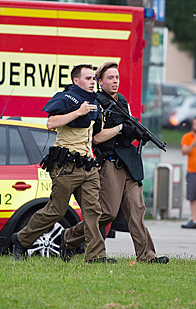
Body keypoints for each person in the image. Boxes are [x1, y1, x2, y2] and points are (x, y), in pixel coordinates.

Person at [62, 61, 169, 264]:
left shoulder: (122, 101)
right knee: (107, 213)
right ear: (100, 81)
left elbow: (126, 130)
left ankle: (147, 256)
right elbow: (97, 137)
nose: (115, 81)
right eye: (110, 78)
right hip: (110, 163)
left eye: (117, 77)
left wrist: (135, 133)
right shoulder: (96, 103)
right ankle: (70, 237)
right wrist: (121, 128)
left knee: (137, 211)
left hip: (129, 163)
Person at [11, 64, 114, 263]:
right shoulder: (65, 98)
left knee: (93, 211)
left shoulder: (96, 103)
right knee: (56, 210)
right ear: (76, 81)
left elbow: (96, 136)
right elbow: (51, 123)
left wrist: (119, 130)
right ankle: (21, 240)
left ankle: (96, 256)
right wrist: (78, 112)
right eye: (88, 78)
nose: (93, 82)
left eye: (94, 78)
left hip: (88, 166)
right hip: (66, 166)